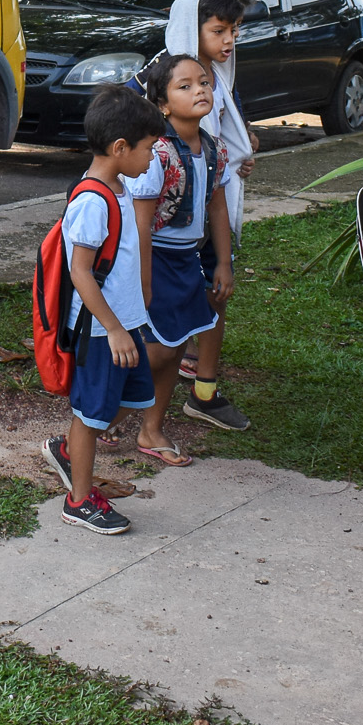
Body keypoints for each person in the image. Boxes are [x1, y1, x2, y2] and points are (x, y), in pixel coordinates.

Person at [41, 85, 172, 535]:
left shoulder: (118, 187)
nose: (153, 159)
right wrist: (114, 328)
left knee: (134, 399)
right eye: (149, 149)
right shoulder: (93, 201)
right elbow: (80, 272)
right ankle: (78, 500)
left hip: (124, 323)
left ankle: (72, 449)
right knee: (93, 412)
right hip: (101, 333)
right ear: (120, 148)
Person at [137, 0, 257, 430]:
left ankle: (202, 387)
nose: (229, 40)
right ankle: (128, 397)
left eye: (235, 30)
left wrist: (241, 149)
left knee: (214, 297)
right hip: (176, 231)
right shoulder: (169, 82)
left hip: (208, 217)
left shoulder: (216, 77)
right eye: (219, 30)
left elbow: (225, 134)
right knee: (166, 329)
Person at [125, 55, 233, 467]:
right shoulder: (157, 154)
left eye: (203, 82)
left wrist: (222, 262)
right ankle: (109, 413)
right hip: (156, 260)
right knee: (156, 351)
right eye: (184, 86)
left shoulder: (214, 149)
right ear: (163, 104)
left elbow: (218, 208)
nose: (200, 90)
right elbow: (142, 223)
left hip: (188, 259)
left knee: (176, 346)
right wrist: (144, 279)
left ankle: (151, 428)